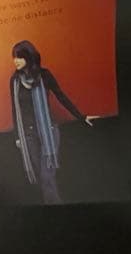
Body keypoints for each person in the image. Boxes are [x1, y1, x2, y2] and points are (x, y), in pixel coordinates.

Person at [9, 40, 99, 205]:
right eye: (14, 57)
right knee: (43, 179)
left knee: (47, 177)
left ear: (29, 57)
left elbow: (61, 96)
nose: (15, 61)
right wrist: (17, 137)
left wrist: (81, 117)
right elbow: (15, 109)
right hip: (28, 135)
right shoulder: (14, 81)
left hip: (48, 131)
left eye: (19, 57)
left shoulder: (44, 75)